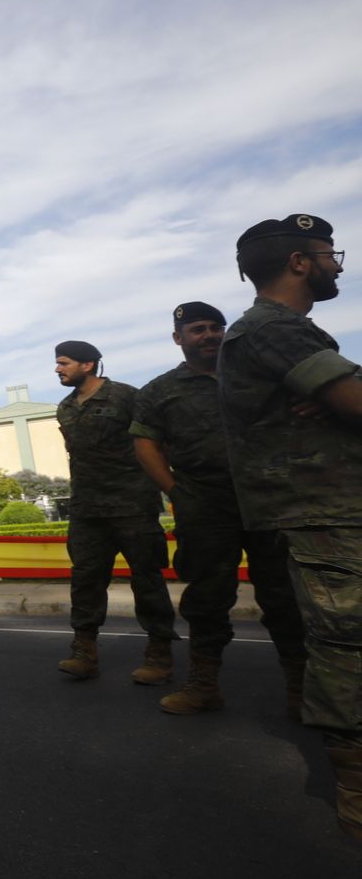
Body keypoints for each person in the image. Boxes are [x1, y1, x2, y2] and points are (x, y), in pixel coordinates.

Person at [218, 213, 362, 842]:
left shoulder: (294, 333)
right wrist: (346, 394)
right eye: (330, 254)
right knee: (347, 645)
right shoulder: (272, 330)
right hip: (325, 510)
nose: (338, 263)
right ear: (299, 262)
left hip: (336, 504)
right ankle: (355, 788)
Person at [130, 302, 305, 718]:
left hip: (269, 498)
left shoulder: (258, 374)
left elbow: (309, 405)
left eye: (215, 327)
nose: (209, 335)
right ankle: (203, 686)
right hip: (205, 505)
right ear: (179, 339)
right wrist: (175, 491)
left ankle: (303, 688)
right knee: (207, 598)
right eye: (197, 330)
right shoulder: (160, 390)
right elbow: (145, 443)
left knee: (284, 595)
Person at [53, 341, 177, 683]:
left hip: (132, 506)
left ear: (88, 365)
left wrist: (171, 489)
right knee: (86, 582)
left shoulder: (127, 397)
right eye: (57, 363)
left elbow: (156, 442)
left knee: (147, 581)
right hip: (87, 509)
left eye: (64, 363)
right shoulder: (64, 407)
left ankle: (159, 655)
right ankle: (84, 653)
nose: (57, 369)